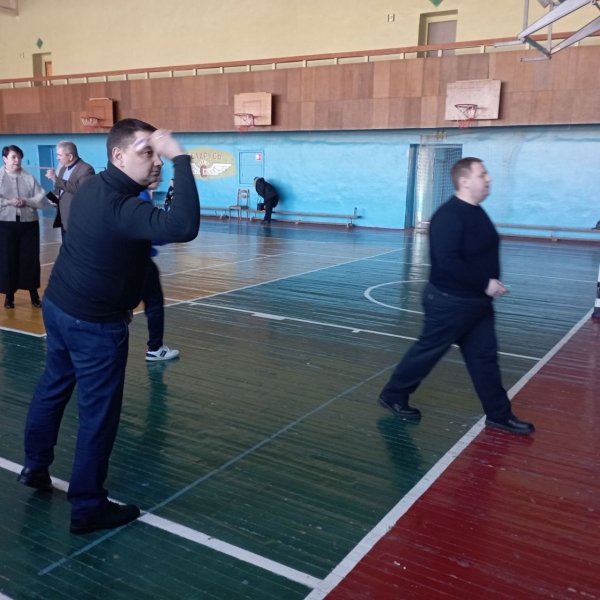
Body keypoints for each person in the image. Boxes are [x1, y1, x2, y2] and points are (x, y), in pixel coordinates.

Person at [18, 119, 200, 535]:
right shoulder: (123, 206)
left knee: (53, 386)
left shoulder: (92, 187)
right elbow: (183, 227)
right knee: (98, 415)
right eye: (146, 152)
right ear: (118, 156)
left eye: (158, 153)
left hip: (59, 306)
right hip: (93, 325)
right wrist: (180, 158)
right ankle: (87, 507)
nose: (156, 161)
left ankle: (35, 466)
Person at [378, 157, 534, 436]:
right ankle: (393, 394)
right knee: (428, 352)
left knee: (484, 359)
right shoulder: (449, 216)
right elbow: (446, 262)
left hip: (476, 303)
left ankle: (499, 415)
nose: (488, 179)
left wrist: (486, 285)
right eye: (482, 174)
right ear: (464, 181)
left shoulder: (476, 211)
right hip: (450, 302)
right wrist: (485, 283)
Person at [0, 145, 46, 309]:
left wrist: (26, 201)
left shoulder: (29, 178)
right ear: (4, 159)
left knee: (31, 259)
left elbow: (41, 198)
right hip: (6, 224)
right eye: (13, 156)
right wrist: (8, 202)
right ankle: (9, 296)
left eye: (19, 156)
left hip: (29, 224)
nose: (17, 160)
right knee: (8, 259)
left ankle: (34, 295)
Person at [139, 181, 179, 361]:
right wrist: (169, 232)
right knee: (154, 302)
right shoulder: (140, 196)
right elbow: (148, 231)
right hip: (138, 261)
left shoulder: (126, 192)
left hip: (122, 260)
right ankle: (155, 348)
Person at [46, 141, 95, 240]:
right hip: (64, 219)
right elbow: (59, 188)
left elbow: (80, 190)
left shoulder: (86, 169)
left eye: (60, 155)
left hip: (79, 221)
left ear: (70, 156)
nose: (57, 158)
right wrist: (55, 197)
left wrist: (56, 179)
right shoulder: (63, 169)